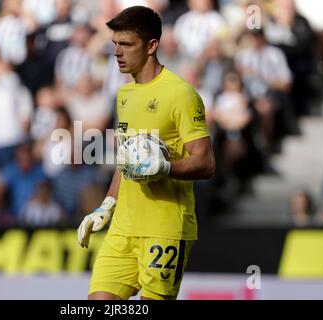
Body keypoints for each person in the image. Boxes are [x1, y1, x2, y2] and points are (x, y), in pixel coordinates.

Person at [77, 6, 215, 300]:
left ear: (151, 46)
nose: (117, 52)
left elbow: (205, 162)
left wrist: (163, 168)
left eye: (126, 44)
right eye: (115, 44)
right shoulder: (124, 95)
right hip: (123, 228)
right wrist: (107, 205)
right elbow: (126, 161)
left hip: (164, 230)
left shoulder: (181, 94)